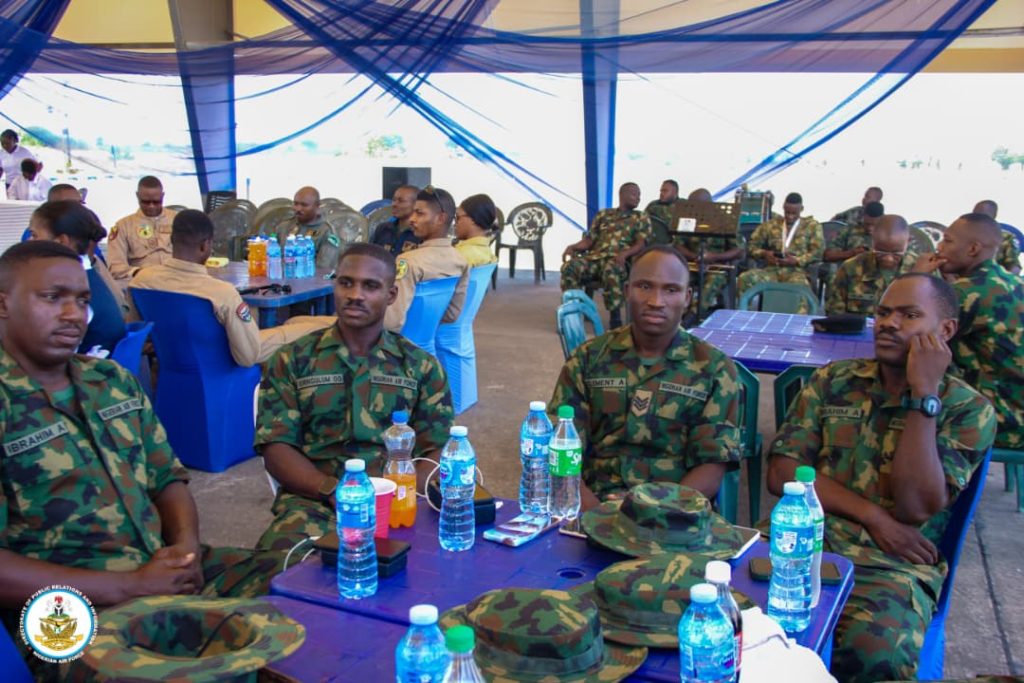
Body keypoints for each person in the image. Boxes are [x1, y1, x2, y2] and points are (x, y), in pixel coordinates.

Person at [0, 242, 282, 643]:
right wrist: (130, 586)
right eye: (52, 298)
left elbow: (167, 478)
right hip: (65, 610)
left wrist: (185, 551)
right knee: (213, 656)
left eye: (82, 300)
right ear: (3, 304)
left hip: (157, 565)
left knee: (302, 583)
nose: (73, 314)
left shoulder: (110, 381)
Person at [767, 273, 996, 683]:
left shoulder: (967, 409)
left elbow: (915, 506)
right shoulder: (834, 381)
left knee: (877, 656)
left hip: (892, 567)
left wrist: (923, 395)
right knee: (728, 627)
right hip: (799, 544)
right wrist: (873, 516)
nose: (889, 323)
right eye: (883, 312)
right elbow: (782, 472)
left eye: (909, 315)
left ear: (945, 331)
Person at [254, 243, 453, 552]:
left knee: (450, 559)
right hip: (316, 502)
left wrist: (405, 494)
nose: (355, 295)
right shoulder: (293, 360)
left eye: (370, 286)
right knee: (279, 562)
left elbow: (438, 448)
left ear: (391, 295)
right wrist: (331, 490)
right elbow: (275, 447)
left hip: (399, 502)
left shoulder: (420, 367)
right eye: (346, 283)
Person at [549, 245, 741, 511]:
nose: (656, 301)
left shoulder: (714, 369)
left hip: (676, 512)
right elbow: (560, 452)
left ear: (687, 297)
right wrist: (595, 517)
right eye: (644, 286)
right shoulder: (587, 359)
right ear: (627, 290)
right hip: (594, 505)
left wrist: (656, 516)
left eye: (671, 290)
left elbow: (712, 466)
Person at [128, 210, 328, 367]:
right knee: (320, 328)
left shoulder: (140, 281)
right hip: (223, 362)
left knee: (295, 321)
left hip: (174, 365)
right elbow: (248, 357)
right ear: (205, 246)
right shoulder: (222, 293)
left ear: (171, 241)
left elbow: (136, 333)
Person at [912, 212, 1024, 450]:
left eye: (948, 241)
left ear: (973, 249)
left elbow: (907, 333)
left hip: (997, 418)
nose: (939, 247)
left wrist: (918, 278)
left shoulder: (967, 291)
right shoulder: (1012, 282)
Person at [27, 201, 126, 355]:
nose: (29, 242)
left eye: (35, 235)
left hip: (81, 367)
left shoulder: (68, 291)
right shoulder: (88, 276)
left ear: (61, 242)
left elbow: (48, 353)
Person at [561, 182, 651, 327]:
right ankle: (574, 313)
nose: (638, 198)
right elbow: (589, 240)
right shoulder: (603, 214)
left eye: (639, 195)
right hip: (595, 259)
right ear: (622, 195)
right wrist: (573, 247)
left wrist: (625, 254)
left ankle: (615, 319)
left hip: (619, 260)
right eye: (634, 194)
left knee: (611, 270)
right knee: (570, 267)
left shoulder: (641, 217)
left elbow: (641, 244)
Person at [383, 186, 469, 332]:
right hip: (427, 344)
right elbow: (451, 315)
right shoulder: (460, 260)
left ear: (441, 218)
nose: (412, 219)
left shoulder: (408, 262)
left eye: (419, 213)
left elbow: (390, 323)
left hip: (402, 344)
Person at [826, 214, 917, 316]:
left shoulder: (920, 270)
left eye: (896, 253)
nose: (888, 258)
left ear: (908, 241)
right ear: (873, 240)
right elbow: (835, 312)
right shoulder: (851, 268)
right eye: (881, 252)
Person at [738, 192, 824, 299]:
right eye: (787, 212)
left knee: (801, 292)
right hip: (772, 270)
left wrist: (797, 260)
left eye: (794, 213)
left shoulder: (812, 226)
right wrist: (764, 253)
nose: (790, 216)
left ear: (801, 209)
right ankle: (744, 309)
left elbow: (818, 252)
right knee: (745, 279)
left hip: (797, 272)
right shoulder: (771, 225)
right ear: (783, 207)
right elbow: (751, 246)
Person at [674, 187, 744, 318]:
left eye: (696, 206)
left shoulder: (726, 220)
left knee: (713, 282)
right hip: (692, 263)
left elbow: (739, 250)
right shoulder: (688, 218)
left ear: (708, 204)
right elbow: (678, 245)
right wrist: (696, 257)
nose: (692, 209)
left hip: (717, 267)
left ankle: (692, 316)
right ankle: (675, 312)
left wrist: (713, 257)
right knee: (675, 277)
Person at [106, 176, 178, 280]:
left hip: (177, 279)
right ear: (137, 196)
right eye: (145, 202)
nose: (151, 206)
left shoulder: (179, 220)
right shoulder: (123, 226)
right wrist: (138, 273)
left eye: (157, 201)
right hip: (142, 281)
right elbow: (116, 268)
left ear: (163, 196)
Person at [823, 200, 884, 265]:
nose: (870, 228)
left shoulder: (888, 234)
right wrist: (851, 253)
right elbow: (828, 256)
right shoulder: (849, 230)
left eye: (875, 225)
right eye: (867, 224)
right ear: (863, 216)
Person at [370, 184, 422, 256]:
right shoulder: (383, 229)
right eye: (394, 200)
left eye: (401, 201)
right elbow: (371, 256)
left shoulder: (422, 233)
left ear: (416, 204)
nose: (394, 204)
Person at [973, 199, 1021, 274]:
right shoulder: (963, 234)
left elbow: (1014, 267)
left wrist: (1005, 279)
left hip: (993, 278)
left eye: (983, 215)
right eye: (975, 215)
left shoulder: (1006, 237)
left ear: (994, 216)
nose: (978, 218)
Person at [454, 193, 498, 267]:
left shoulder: (460, 254)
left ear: (473, 219)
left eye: (458, 217)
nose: (455, 223)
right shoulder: (488, 252)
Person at [643, 179, 679, 246]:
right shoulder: (653, 205)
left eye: (665, 191)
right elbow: (643, 222)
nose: (661, 193)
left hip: (675, 244)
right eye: (661, 191)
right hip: (651, 241)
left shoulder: (683, 205)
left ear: (675, 193)